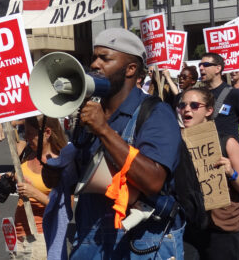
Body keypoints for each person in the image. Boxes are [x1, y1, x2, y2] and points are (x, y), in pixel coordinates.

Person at [68, 28, 183, 259]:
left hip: (141, 243)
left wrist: (103, 129)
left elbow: (153, 180)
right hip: (91, 240)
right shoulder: (90, 114)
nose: (95, 65)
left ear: (131, 69)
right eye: (94, 58)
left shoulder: (155, 113)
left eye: (105, 58)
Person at [178, 87, 239, 260]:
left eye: (194, 105)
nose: (187, 109)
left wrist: (231, 173)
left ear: (209, 110)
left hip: (223, 231)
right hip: (190, 227)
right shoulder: (177, 141)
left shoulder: (227, 142)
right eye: (182, 105)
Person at [8, 115, 67, 259]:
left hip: (41, 235)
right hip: (19, 232)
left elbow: (65, 208)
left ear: (47, 133)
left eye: (29, 133)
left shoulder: (60, 162)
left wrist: (34, 193)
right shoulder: (29, 153)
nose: (26, 137)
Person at [199, 52, 239, 139]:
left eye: (206, 65)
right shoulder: (198, 94)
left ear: (218, 69)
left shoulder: (233, 94)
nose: (201, 68)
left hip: (228, 150)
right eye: (200, 65)